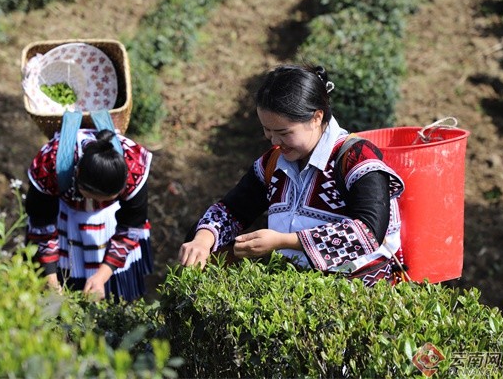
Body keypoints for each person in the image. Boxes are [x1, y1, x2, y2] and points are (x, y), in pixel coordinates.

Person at [178, 64, 406, 286]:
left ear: (316, 118)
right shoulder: (274, 162)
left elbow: (368, 232)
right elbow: (233, 209)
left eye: (284, 132)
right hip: (292, 292)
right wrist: (202, 240)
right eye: (267, 131)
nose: (274, 141)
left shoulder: (355, 158)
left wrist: (285, 241)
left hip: (354, 296)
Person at [25, 128, 153, 301]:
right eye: (92, 197)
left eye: (106, 198)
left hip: (111, 221)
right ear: (77, 175)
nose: (95, 202)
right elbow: (42, 223)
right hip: (65, 216)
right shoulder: (50, 165)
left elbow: (131, 224)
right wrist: (51, 279)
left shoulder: (134, 165)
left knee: (112, 295)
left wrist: (102, 275)